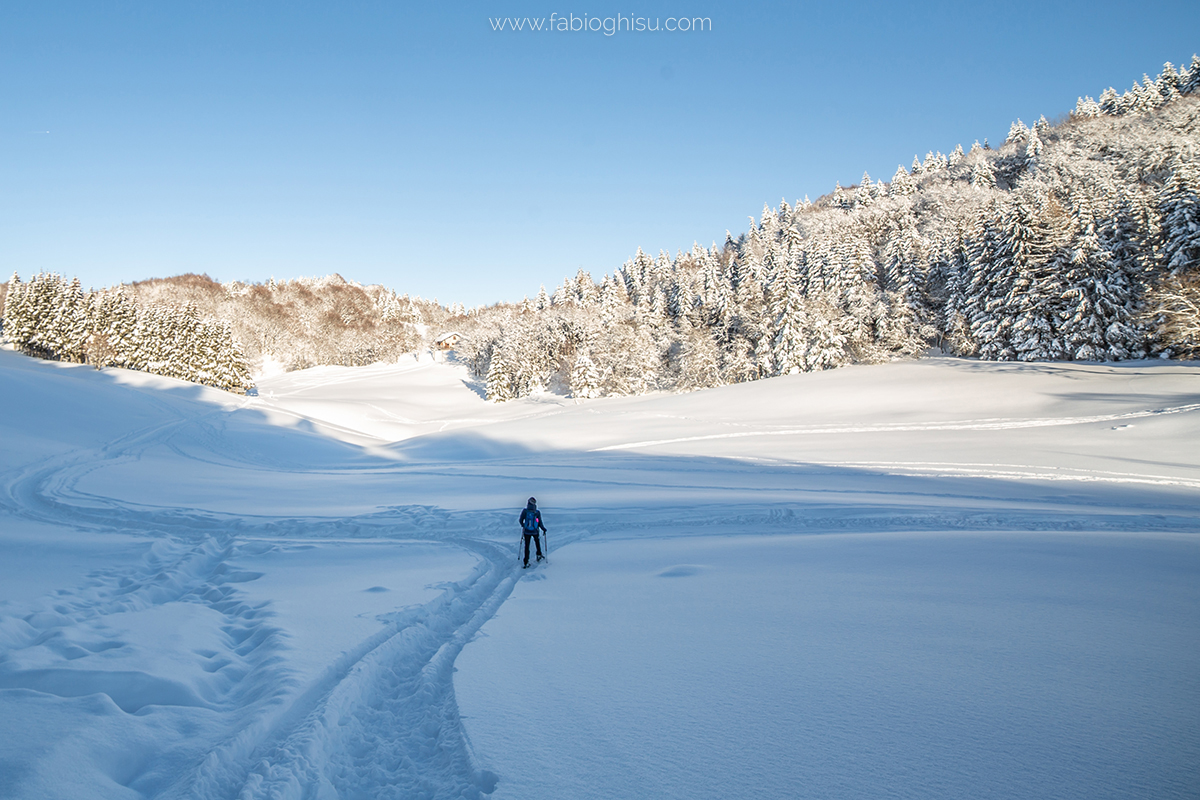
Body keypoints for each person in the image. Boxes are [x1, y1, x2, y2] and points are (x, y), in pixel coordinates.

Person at [519, 497, 547, 568]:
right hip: (535, 531)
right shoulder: (537, 512)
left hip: (526, 532)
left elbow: (520, 520)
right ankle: (539, 555)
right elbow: (539, 522)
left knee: (527, 546)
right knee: (537, 542)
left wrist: (524, 526)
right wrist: (543, 529)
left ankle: (526, 561)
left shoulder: (525, 511)